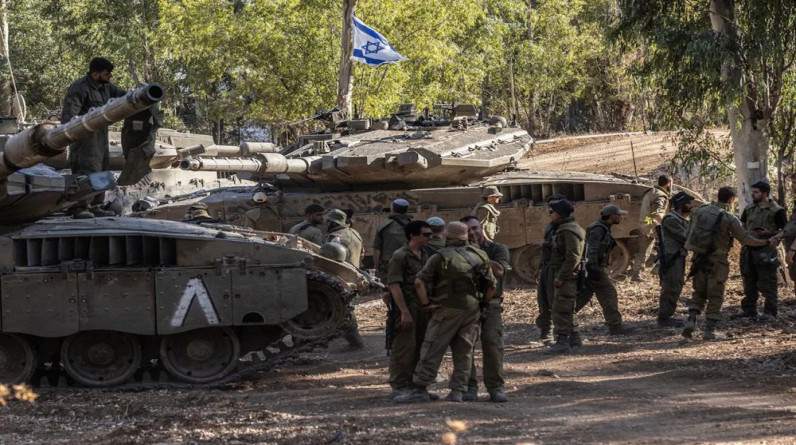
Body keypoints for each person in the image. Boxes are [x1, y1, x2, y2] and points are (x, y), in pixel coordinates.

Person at [394, 222, 496, 403]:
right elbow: (491, 286)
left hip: (445, 310)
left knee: (432, 348)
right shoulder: (480, 255)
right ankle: (458, 391)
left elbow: (419, 283)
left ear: (448, 237)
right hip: (472, 310)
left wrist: (426, 304)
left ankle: (420, 388)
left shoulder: (440, 257)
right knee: (464, 351)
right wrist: (483, 306)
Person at [682, 187, 770, 340]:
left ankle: (691, 319)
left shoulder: (699, 211)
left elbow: (687, 233)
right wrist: (767, 241)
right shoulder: (728, 217)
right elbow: (746, 240)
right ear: (731, 200)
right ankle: (710, 331)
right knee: (716, 294)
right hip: (718, 261)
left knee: (699, 291)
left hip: (698, 258)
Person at [62, 57, 127, 219]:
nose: (109, 77)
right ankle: (80, 207)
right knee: (86, 170)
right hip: (84, 138)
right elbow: (69, 117)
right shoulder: (80, 87)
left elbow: (123, 95)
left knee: (102, 169)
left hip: (101, 135)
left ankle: (97, 205)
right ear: (95, 74)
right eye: (107, 74)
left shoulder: (105, 87)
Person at [461, 216, 510, 403]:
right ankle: (469, 387)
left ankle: (495, 387)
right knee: (466, 347)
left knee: (492, 344)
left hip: (492, 304)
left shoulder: (497, 249)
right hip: (468, 304)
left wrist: (477, 254)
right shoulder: (458, 252)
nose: (472, 233)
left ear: (481, 228)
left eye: (475, 228)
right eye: (468, 230)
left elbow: (499, 271)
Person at [386, 220, 434, 399]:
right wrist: (404, 311)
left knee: (421, 347)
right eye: (426, 234)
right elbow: (394, 284)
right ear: (413, 236)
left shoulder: (426, 254)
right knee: (404, 347)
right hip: (406, 308)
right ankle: (399, 386)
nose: (431, 237)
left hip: (422, 308)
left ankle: (416, 386)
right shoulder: (400, 256)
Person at [581, 205, 633, 336]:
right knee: (609, 294)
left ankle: (560, 322)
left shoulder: (602, 227)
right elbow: (591, 249)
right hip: (593, 268)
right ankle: (615, 326)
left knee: (583, 297)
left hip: (593, 268)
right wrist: (593, 267)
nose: (621, 217)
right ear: (611, 216)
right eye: (619, 215)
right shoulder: (598, 229)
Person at [737, 181, 786, 320]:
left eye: (756, 192)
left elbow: (784, 230)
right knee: (749, 280)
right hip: (749, 250)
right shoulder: (749, 208)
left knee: (768, 282)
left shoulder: (777, 210)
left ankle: (770, 312)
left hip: (766, 250)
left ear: (765, 193)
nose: (753, 194)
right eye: (752, 192)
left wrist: (770, 233)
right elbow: (743, 225)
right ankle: (749, 309)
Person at [545, 199, 585, 354]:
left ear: (560, 214)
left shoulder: (568, 230)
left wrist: (561, 276)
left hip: (567, 276)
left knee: (560, 308)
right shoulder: (564, 228)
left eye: (552, 212)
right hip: (566, 274)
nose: (550, 214)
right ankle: (575, 337)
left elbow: (573, 257)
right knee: (568, 307)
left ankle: (562, 341)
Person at [324, 208, 366, 349]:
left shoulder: (336, 236)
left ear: (333, 222)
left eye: (328, 221)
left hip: (339, 277)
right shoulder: (354, 233)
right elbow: (362, 254)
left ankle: (355, 342)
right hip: (353, 274)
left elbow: (329, 259)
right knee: (345, 309)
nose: (326, 223)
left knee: (343, 310)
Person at [656, 192, 695, 327]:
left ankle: (666, 315)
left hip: (678, 257)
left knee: (676, 285)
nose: (691, 206)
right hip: (672, 258)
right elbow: (685, 237)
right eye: (688, 203)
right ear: (681, 205)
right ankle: (664, 318)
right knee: (671, 286)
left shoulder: (680, 219)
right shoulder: (671, 220)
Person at [536, 193, 568, 346]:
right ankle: (545, 332)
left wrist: (546, 244)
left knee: (556, 302)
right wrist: (539, 267)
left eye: (554, 207)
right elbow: (546, 251)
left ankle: (561, 335)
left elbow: (569, 250)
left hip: (557, 268)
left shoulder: (566, 227)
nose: (550, 211)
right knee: (543, 302)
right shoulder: (550, 225)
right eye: (550, 207)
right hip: (547, 267)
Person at [631, 175, 672, 281]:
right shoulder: (661, 195)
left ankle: (638, 273)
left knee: (644, 250)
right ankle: (653, 269)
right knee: (665, 246)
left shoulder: (651, 192)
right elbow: (656, 213)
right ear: (668, 184)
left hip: (644, 223)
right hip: (651, 226)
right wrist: (666, 225)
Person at [373, 199, 413, 279]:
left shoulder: (383, 226)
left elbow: (376, 248)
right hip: (410, 263)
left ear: (393, 209)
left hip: (388, 264)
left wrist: (376, 266)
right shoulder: (414, 225)